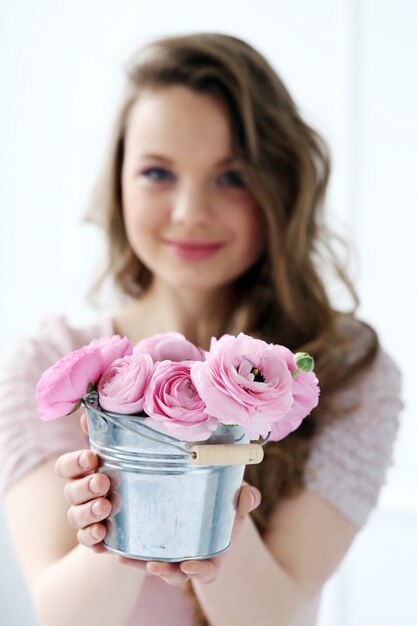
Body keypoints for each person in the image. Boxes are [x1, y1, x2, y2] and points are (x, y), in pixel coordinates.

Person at [0, 33, 403, 626]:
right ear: (118, 184)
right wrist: (125, 494)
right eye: (158, 172)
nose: (190, 210)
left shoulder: (345, 371)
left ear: (280, 188)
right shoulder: (54, 364)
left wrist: (214, 503)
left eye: (232, 177)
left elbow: (275, 616)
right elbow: (64, 616)